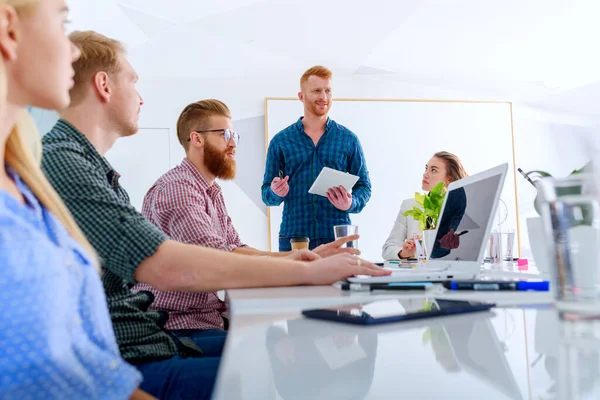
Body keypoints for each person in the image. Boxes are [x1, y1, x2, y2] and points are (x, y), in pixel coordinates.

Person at [41, 31, 389, 399]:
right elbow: (167, 262)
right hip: (139, 346)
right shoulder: (70, 161)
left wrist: (300, 259)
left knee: (281, 351)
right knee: (275, 364)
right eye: (133, 81)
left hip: (147, 337)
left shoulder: (97, 167)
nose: (141, 97)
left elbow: (230, 245)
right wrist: (303, 268)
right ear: (104, 85)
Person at [0, 1, 152, 398]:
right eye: (61, 20)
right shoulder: (55, 162)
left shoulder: (23, 178)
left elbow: (88, 367)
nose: (71, 49)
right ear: (8, 28)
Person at [133, 99, 360, 335]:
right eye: (225, 135)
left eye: (235, 136)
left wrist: (298, 256)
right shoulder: (178, 189)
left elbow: (233, 246)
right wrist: (300, 264)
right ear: (197, 139)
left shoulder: (210, 190)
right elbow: (217, 258)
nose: (233, 144)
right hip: (179, 327)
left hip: (210, 319)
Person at [261, 65, 372, 251]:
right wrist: (275, 192)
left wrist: (351, 202)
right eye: (316, 91)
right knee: (297, 282)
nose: (324, 97)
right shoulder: (281, 141)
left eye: (328, 90)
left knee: (343, 281)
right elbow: (267, 196)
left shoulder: (348, 139)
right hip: (295, 238)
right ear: (301, 96)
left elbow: (364, 187)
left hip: (337, 237)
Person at [382, 151, 468, 260]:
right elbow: (387, 249)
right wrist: (403, 253)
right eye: (426, 168)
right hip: (419, 274)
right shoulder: (409, 205)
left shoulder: (460, 209)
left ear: (449, 178)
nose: (425, 174)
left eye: (433, 170)